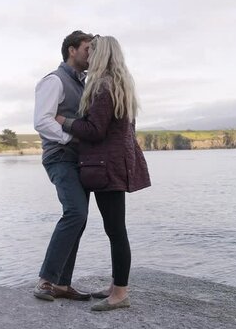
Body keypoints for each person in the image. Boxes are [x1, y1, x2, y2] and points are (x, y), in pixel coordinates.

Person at [56, 35, 151, 311]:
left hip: (107, 167)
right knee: (115, 229)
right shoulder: (120, 84)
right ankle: (116, 286)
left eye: (93, 52)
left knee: (116, 230)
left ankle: (120, 293)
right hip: (115, 163)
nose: (89, 57)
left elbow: (95, 130)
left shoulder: (103, 86)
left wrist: (64, 121)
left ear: (102, 55)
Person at [33, 30, 94, 301]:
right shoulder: (54, 80)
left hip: (78, 159)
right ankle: (45, 281)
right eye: (87, 49)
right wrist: (71, 136)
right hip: (59, 156)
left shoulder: (84, 83)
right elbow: (42, 121)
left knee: (79, 219)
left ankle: (62, 283)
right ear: (72, 50)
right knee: (76, 213)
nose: (91, 54)